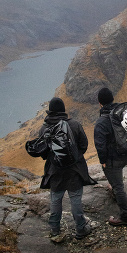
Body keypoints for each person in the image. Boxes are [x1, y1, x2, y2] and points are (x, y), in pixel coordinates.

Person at [39, 97, 96, 242]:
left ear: (50, 111)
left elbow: (43, 153)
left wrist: (54, 159)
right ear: (63, 110)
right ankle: (81, 229)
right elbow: (83, 145)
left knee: (56, 200)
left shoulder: (44, 129)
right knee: (75, 199)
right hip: (75, 171)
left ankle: (55, 230)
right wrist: (74, 157)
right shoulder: (75, 125)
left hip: (54, 172)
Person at [94, 87, 127, 226]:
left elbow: (100, 145)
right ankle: (114, 185)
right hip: (126, 154)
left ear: (100, 103)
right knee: (116, 178)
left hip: (113, 159)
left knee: (118, 187)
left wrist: (103, 161)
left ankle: (126, 217)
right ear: (112, 99)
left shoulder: (101, 122)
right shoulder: (121, 113)